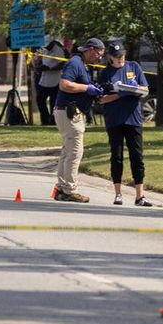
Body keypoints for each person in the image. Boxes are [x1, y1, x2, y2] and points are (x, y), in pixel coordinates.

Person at [96, 41, 150, 206]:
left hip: (133, 118)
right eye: (117, 57)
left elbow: (145, 89)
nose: (120, 59)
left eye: (122, 56)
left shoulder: (134, 67)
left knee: (137, 156)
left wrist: (135, 90)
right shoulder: (105, 73)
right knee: (117, 156)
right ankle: (118, 193)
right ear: (110, 57)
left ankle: (140, 196)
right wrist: (120, 94)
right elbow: (101, 99)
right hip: (114, 119)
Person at [53, 37, 106, 203]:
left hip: (69, 112)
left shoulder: (81, 64)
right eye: (98, 54)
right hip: (70, 113)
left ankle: (62, 188)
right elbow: (64, 84)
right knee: (75, 152)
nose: (99, 58)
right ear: (90, 49)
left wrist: (95, 89)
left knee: (67, 150)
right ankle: (70, 189)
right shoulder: (75, 63)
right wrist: (87, 88)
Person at [35, 37, 68, 126]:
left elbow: (63, 63)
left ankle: (53, 121)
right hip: (44, 79)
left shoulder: (57, 49)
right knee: (40, 100)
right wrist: (38, 64)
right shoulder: (43, 48)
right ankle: (45, 120)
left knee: (54, 103)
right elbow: (38, 61)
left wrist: (50, 68)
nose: (47, 47)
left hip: (56, 80)